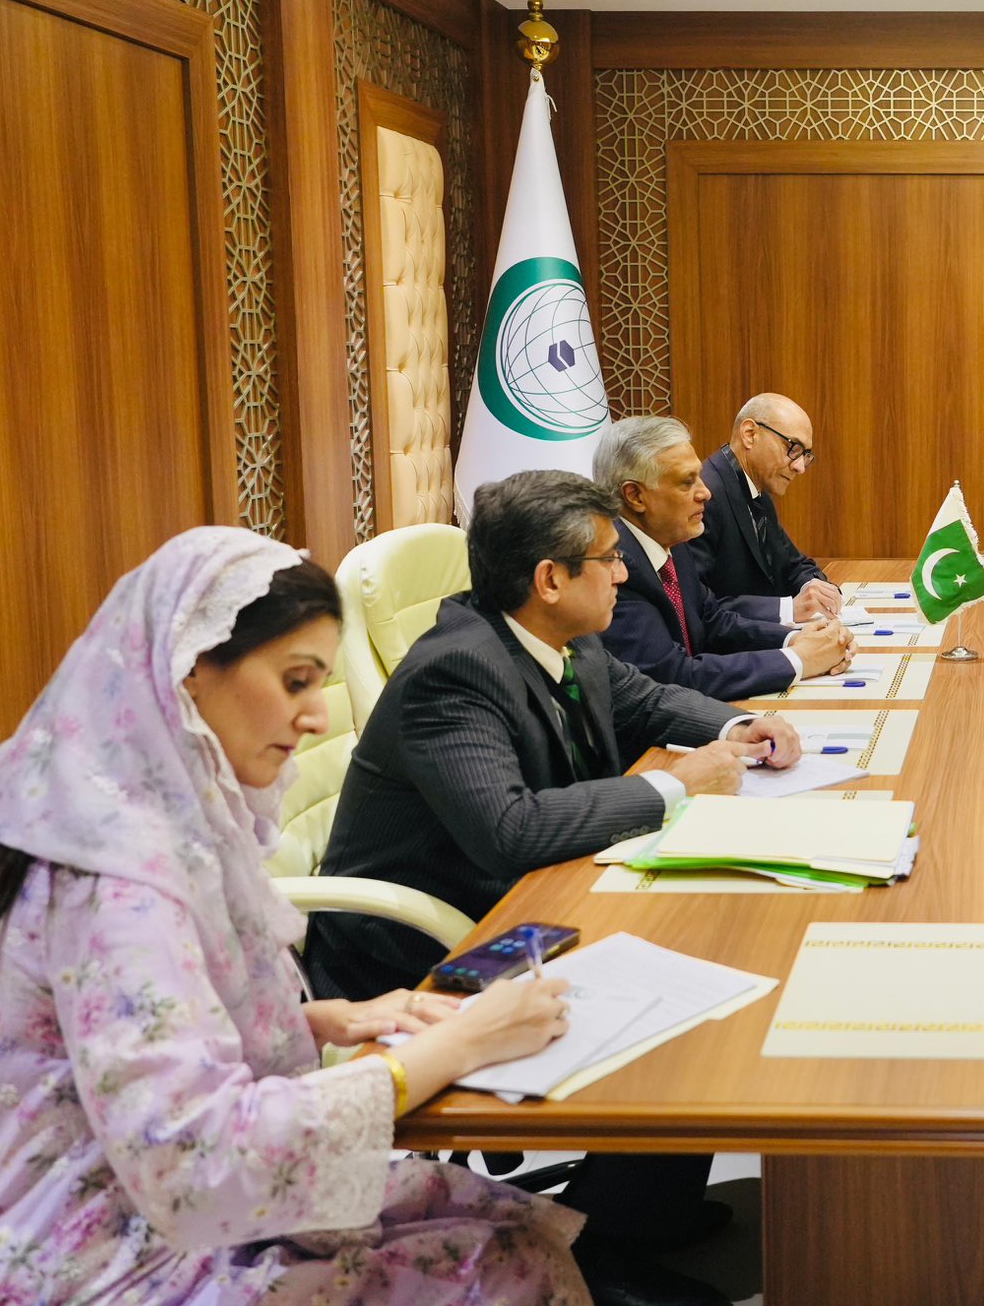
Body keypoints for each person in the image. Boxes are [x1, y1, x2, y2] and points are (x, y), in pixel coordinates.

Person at [0, 529, 589, 1304]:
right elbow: (192, 1156)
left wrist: (321, 1021)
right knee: (504, 1265)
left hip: (140, 1194)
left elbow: (113, 1051)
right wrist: (461, 1043)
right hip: (107, 1242)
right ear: (191, 670)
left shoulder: (130, 811)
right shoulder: (119, 879)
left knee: (502, 1234)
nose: (310, 717)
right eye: (296, 681)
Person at [307, 469, 801, 1306]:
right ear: (550, 579)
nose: (623, 574)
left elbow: (645, 700)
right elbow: (513, 829)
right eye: (608, 560)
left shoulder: (560, 635)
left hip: (527, 898)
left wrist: (734, 728)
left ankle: (648, 1215)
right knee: (687, 957)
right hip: (430, 946)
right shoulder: (454, 672)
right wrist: (677, 788)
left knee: (713, 938)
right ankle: (602, 1251)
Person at [595, 416, 855, 699]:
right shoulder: (614, 565)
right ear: (635, 495)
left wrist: (797, 638)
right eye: (687, 482)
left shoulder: (672, 538)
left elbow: (712, 621)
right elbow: (673, 676)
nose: (705, 492)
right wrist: (798, 660)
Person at [686, 392, 839, 623]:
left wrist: (815, 586)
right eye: (793, 448)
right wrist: (787, 609)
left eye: (805, 455)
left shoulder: (757, 491)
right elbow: (697, 606)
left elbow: (792, 563)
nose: (800, 467)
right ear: (750, 434)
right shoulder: (705, 496)